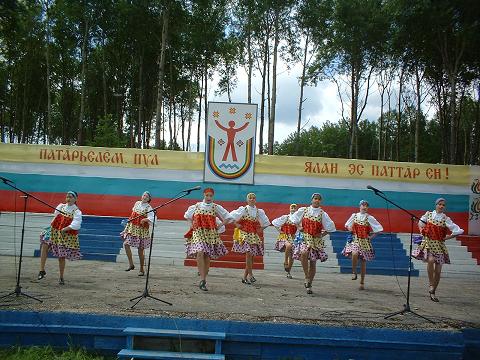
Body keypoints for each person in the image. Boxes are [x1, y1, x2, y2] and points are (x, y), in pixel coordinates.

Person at [412, 198, 463, 302]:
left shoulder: (445, 218)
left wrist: (446, 238)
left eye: (443, 205)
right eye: (439, 204)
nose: (441, 206)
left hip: (439, 245)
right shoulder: (428, 215)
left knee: (438, 271)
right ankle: (431, 284)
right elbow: (421, 224)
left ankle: (433, 292)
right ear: (436, 205)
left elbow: (458, 231)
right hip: (429, 243)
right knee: (430, 260)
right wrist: (423, 232)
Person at [184, 188, 232, 291]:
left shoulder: (215, 207)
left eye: (211, 196)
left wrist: (220, 225)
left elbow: (228, 217)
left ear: (213, 196)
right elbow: (188, 216)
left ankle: (204, 279)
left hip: (210, 233)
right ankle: (202, 278)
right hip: (198, 232)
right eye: (207, 195)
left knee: (206, 255)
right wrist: (191, 224)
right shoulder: (196, 206)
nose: (209, 197)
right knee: (200, 252)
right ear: (204, 195)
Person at [290, 193, 336, 294]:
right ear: (312, 200)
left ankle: (309, 285)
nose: (317, 200)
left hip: (315, 240)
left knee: (313, 262)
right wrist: (299, 227)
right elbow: (294, 218)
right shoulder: (304, 210)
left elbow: (331, 227)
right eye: (315, 198)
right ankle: (306, 276)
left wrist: (322, 235)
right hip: (305, 236)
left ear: (321, 201)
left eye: (319, 199)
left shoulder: (322, 213)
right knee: (304, 252)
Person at [38, 191, 82, 285]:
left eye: (71, 197)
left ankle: (61, 277)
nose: (68, 198)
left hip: (65, 235)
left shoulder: (77, 211)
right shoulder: (60, 206)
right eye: (67, 196)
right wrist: (51, 228)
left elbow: (76, 224)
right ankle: (42, 270)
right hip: (54, 231)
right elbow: (55, 217)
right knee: (45, 245)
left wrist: (65, 229)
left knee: (61, 256)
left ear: (75, 199)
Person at [342, 200, 383, 290]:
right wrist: (350, 228)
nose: (364, 207)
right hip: (355, 239)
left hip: (365, 242)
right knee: (354, 253)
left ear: (368, 208)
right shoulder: (354, 216)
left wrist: (370, 237)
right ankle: (353, 271)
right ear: (359, 206)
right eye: (363, 205)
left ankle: (362, 282)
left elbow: (379, 229)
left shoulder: (369, 218)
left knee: (363, 262)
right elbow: (347, 225)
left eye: (366, 206)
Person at [230, 193, 270, 284]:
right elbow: (230, 216)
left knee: (251, 255)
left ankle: (244, 277)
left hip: (252, 234)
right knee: (248, 253)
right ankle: (251, 275)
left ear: (255, 200)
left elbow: (266, 222)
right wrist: (236, 224)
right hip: (244, 233)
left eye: (253, 198)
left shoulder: (259, 211)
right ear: (247, 200)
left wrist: (261, 229)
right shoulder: (243, 209)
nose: (252, 199)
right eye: (250, 198)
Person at [120, 191, 154, 276]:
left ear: (149, 199)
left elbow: (153, 218)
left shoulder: (149, 208)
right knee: (126, 244)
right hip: (133, 228)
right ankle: (131, 264)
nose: (145, 197)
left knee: (140, 250)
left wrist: (145, 219)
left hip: (141, 231)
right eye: (144, 195)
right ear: (141, 196)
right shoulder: (137, 203)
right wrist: (127, 226)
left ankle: (142, 269)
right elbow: (133, 215)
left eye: (147, 196)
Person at [272, 203, 299, 279]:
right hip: (284, 236)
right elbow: (274, 222)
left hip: (293, 238)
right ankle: (285, 261)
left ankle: (288, 272)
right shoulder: (286, 217)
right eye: (292, 208)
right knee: (289, 246)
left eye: (294, 208)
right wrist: (279, 231)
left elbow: (300, 229)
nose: (293, 209)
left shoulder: (298, 219)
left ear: (296, 210)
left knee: (292, 256)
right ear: (289, 209)